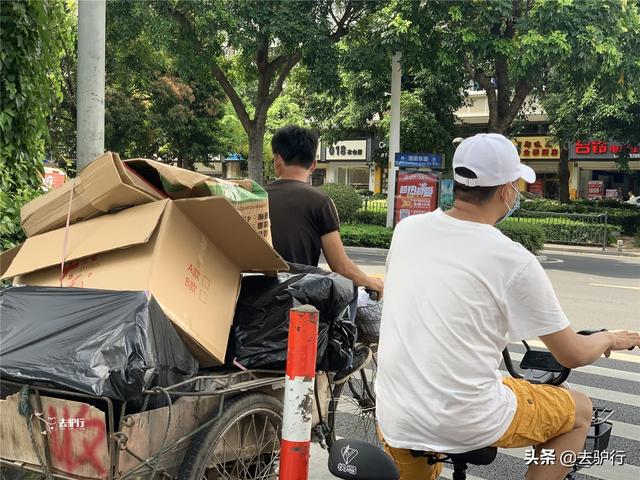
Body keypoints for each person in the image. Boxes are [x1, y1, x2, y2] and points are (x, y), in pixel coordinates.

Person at [375, 133, 640, 480]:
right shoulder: (511, 258)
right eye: (517, 184)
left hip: (396, 415)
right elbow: (572, 354)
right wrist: (610, 339)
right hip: (467, 418)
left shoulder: (407, 230)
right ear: (505, 190)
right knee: (579, 411)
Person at [266, 124, 384, 382]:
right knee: (346, 286)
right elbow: (340, 265)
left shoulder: (256, 196)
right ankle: (344, 355)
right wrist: (371, 281)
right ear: (314, 164)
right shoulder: (319, 201)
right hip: (297, 302)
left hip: (255, 299)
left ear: (277, 160)